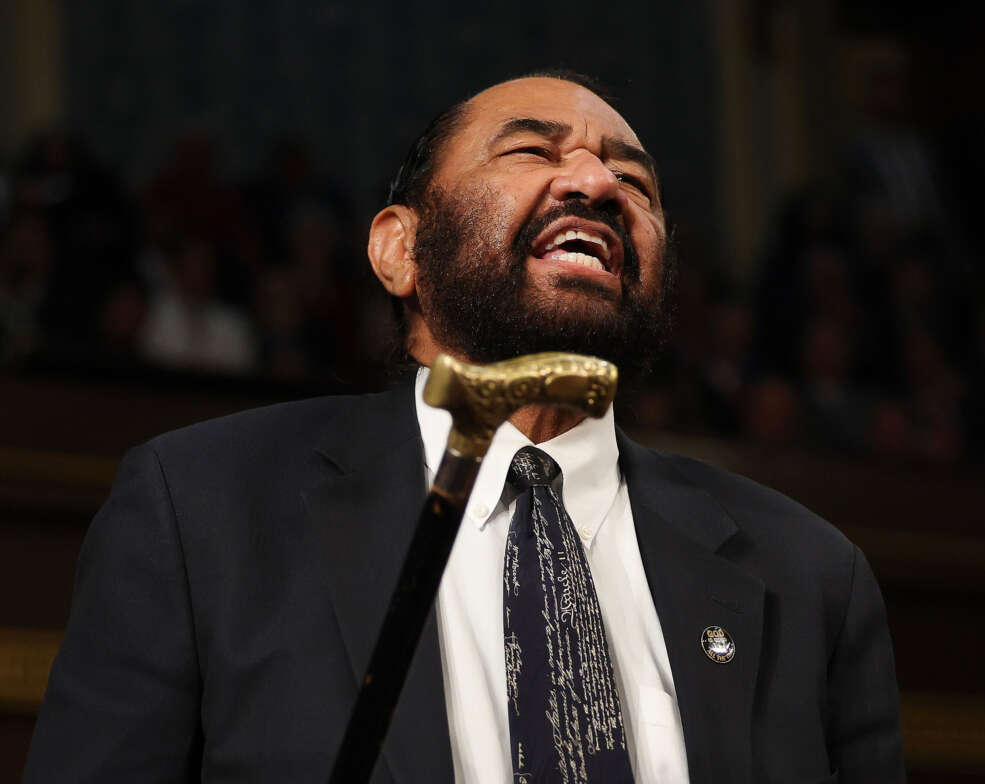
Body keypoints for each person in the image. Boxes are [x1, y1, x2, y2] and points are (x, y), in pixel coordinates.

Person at [25, 72, 904, 783]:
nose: (597, 182)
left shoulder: (809, 575)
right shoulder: (203, 512)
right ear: (398, 249)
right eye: (531, 149)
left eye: (633, 181)